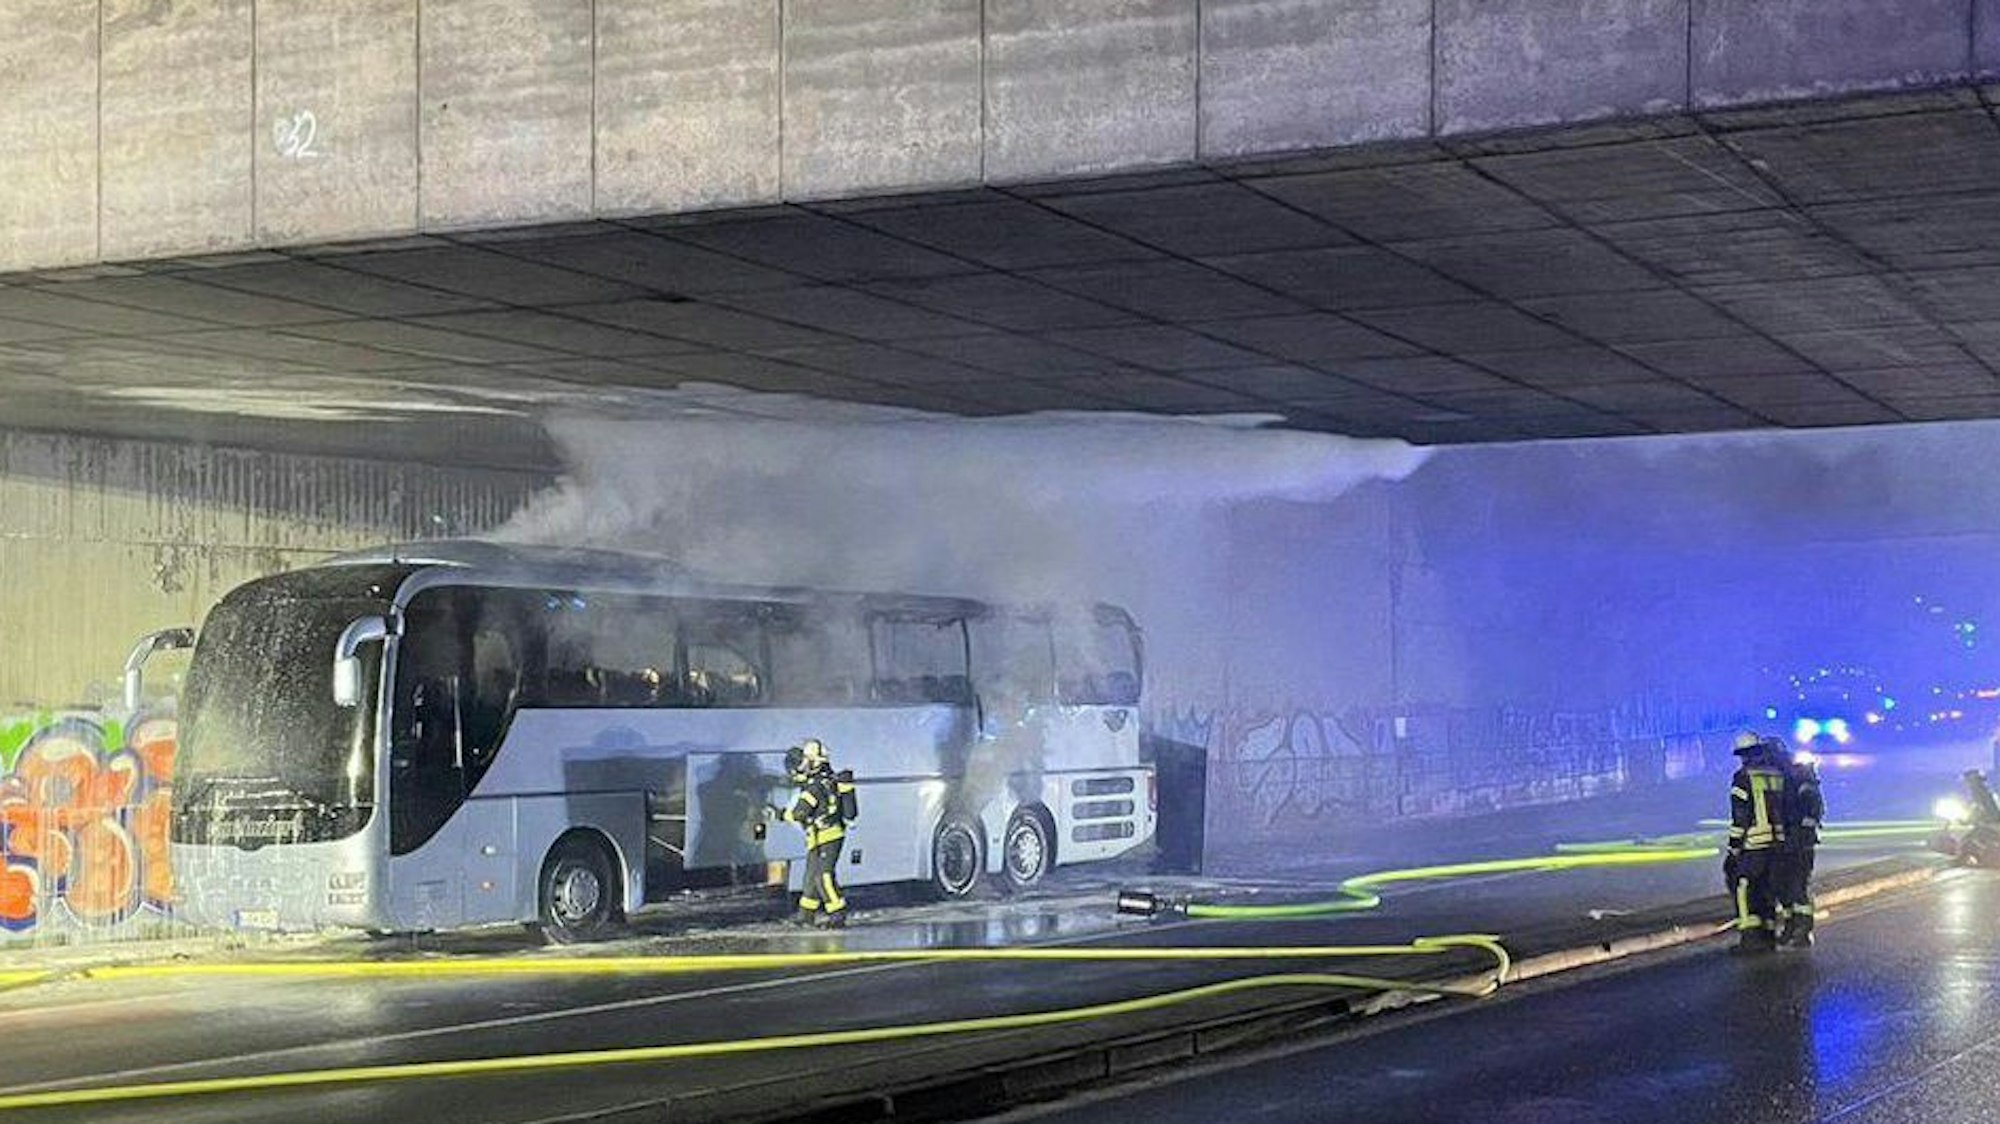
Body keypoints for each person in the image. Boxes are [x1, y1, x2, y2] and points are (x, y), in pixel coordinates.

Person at [1724, 730, 1790, 954]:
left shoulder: (1743, 778)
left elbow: (1740, 816)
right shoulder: (1776, 774)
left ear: (1743, 755)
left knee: (1744, 886)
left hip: (1754, 844)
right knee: (1767, 889)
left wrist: (1734, 846)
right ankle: (1769, 934)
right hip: (1778, 842)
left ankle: (1751, 938)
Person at [778, 738, 852, 929]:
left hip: (828, 837)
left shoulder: (814, 787)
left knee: (823, 876)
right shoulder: (826, 780)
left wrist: (778, 814)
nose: (801, 766)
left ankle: (837, 914)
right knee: (811, 876)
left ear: (813, 762)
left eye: (805, 761)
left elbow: (799, 813)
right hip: (819, 837)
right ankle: (806, 914)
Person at [1774, 740, 1824, 949]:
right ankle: (1790, 926)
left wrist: (1801, 834)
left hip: (1800, 843)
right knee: (1784, 887)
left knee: (1797, 886)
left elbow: (1812, 809)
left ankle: (1803, 930)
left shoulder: (1800, 777)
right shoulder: (1781, 778)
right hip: (1786, 841)